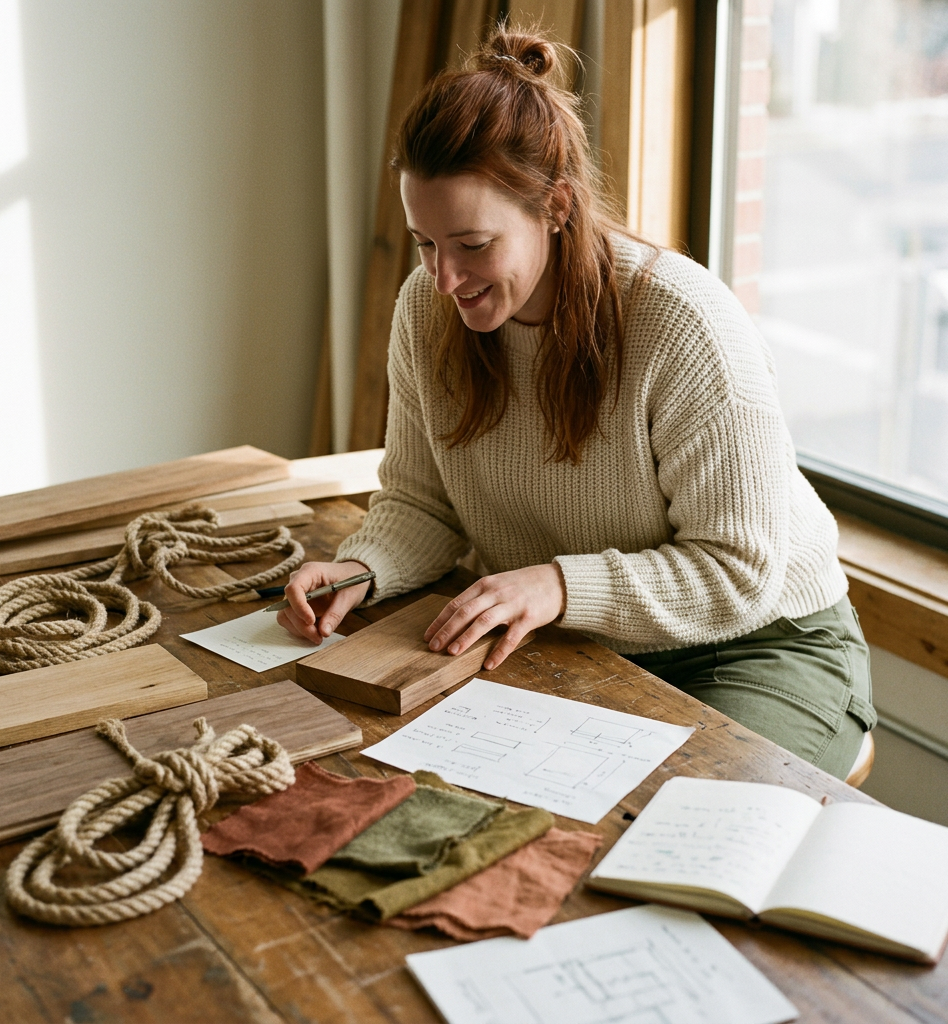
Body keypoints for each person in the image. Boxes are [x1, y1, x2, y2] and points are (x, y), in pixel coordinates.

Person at [278, 27, 876, 780]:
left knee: (670, 837)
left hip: (761, 642)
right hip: (581, 637)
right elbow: (422, 505)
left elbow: (738, 571)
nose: (444, 278)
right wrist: (361, 570)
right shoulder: (425, 312)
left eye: (471, 244)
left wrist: (558, 584)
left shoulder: (680, 320)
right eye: (425, 243)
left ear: (556, 206)